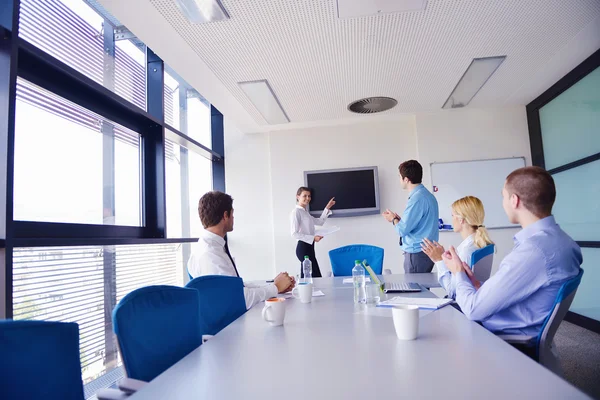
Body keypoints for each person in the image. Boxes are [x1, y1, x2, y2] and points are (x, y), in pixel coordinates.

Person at [441, 166, 582, 336]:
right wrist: (479, 286)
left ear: (514, 200)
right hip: (516, 326)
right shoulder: (565, 242)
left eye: (504, 196)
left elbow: (473, 309)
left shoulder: (533, 252)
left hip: (501, 339)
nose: (503, 203)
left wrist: (458, 272)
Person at [188, 191, 295, 310]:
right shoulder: (210, 255)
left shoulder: (210, 246)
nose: (233, 218)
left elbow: (238, 287)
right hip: (228, 325)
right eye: (232, 214)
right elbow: (239, 298)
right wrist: (275, 287)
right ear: (225, 215)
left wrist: (274, 284)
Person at [421, 196, 494, 299]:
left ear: (461, 220)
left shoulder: (466, 251)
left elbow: (453, 292)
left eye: (452, 215)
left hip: (462, 306)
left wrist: (439, 260)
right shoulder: (482, 243)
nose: (451, 219)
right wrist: (447, 261)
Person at [382, 160, 439, 273]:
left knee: (414, 290)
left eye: (400, 177)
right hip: (424, 253)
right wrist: (398, 220)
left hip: (417, 254)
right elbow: (418, 224)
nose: (399, 179)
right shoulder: (427, 195)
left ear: (406, 179)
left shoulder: (417, 199)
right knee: (420, 289)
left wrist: (393, 219)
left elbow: (402, 230)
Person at [290, 187, 336, 279]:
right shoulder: (296, 212)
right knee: (312, 276)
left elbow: (320, 222)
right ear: (298, 197)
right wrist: (313, 238)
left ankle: (307, 292)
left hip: (310, 247)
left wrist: (327, 208)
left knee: (311, 276)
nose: (307, 198)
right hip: (303, 247)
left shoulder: (305, 213)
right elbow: (294, 233)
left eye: (309, 196)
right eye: (305, 196)